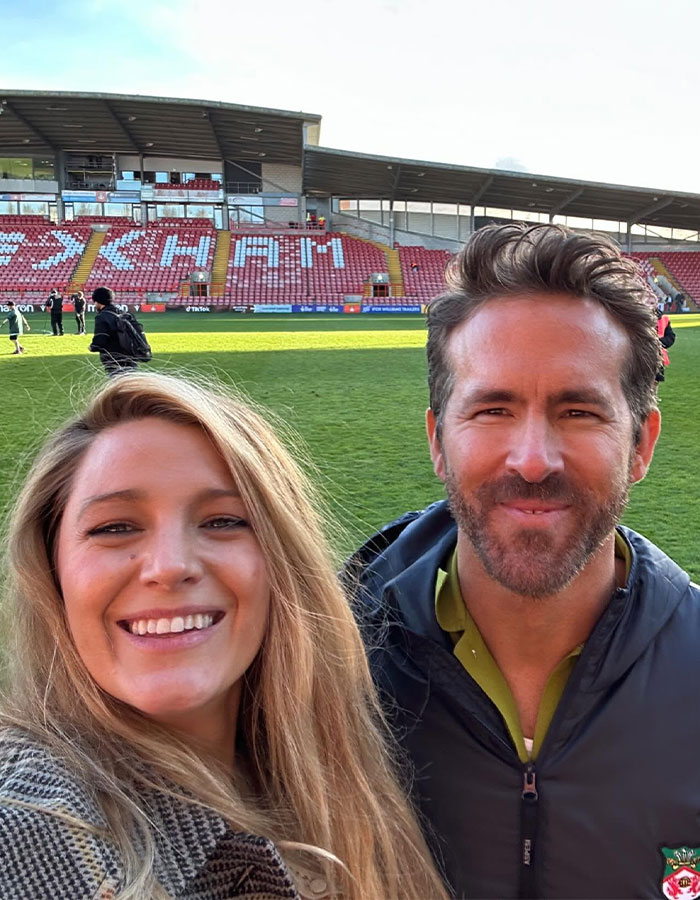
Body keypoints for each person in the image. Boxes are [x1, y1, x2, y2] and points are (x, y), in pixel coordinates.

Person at [347, 223, 700, 899]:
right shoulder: (324, 672)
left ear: (641, 444)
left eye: (578, 411)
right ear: (438, 441)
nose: (533, 459)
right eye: (492, 409)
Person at [0, 373, 446, 900]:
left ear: (284, 562)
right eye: (115, 527)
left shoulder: (352, 776)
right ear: (53, 572)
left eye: (223, 521)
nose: (170, 566)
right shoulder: (33, 825)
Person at [89, 285, 138, 377]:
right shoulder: (125, 314)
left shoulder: (102, 316)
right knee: (130, 383)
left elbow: (101, 339)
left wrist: (92, 347)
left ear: (98, 301)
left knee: (119, 386)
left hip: (114, 358)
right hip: (130, 356)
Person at [656, 305, 676, 381]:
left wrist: (658, 342)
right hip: (638, 359)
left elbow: (671, 337)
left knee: (653, 388)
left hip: (658, 359)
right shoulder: (636, 317)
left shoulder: (663, 319)